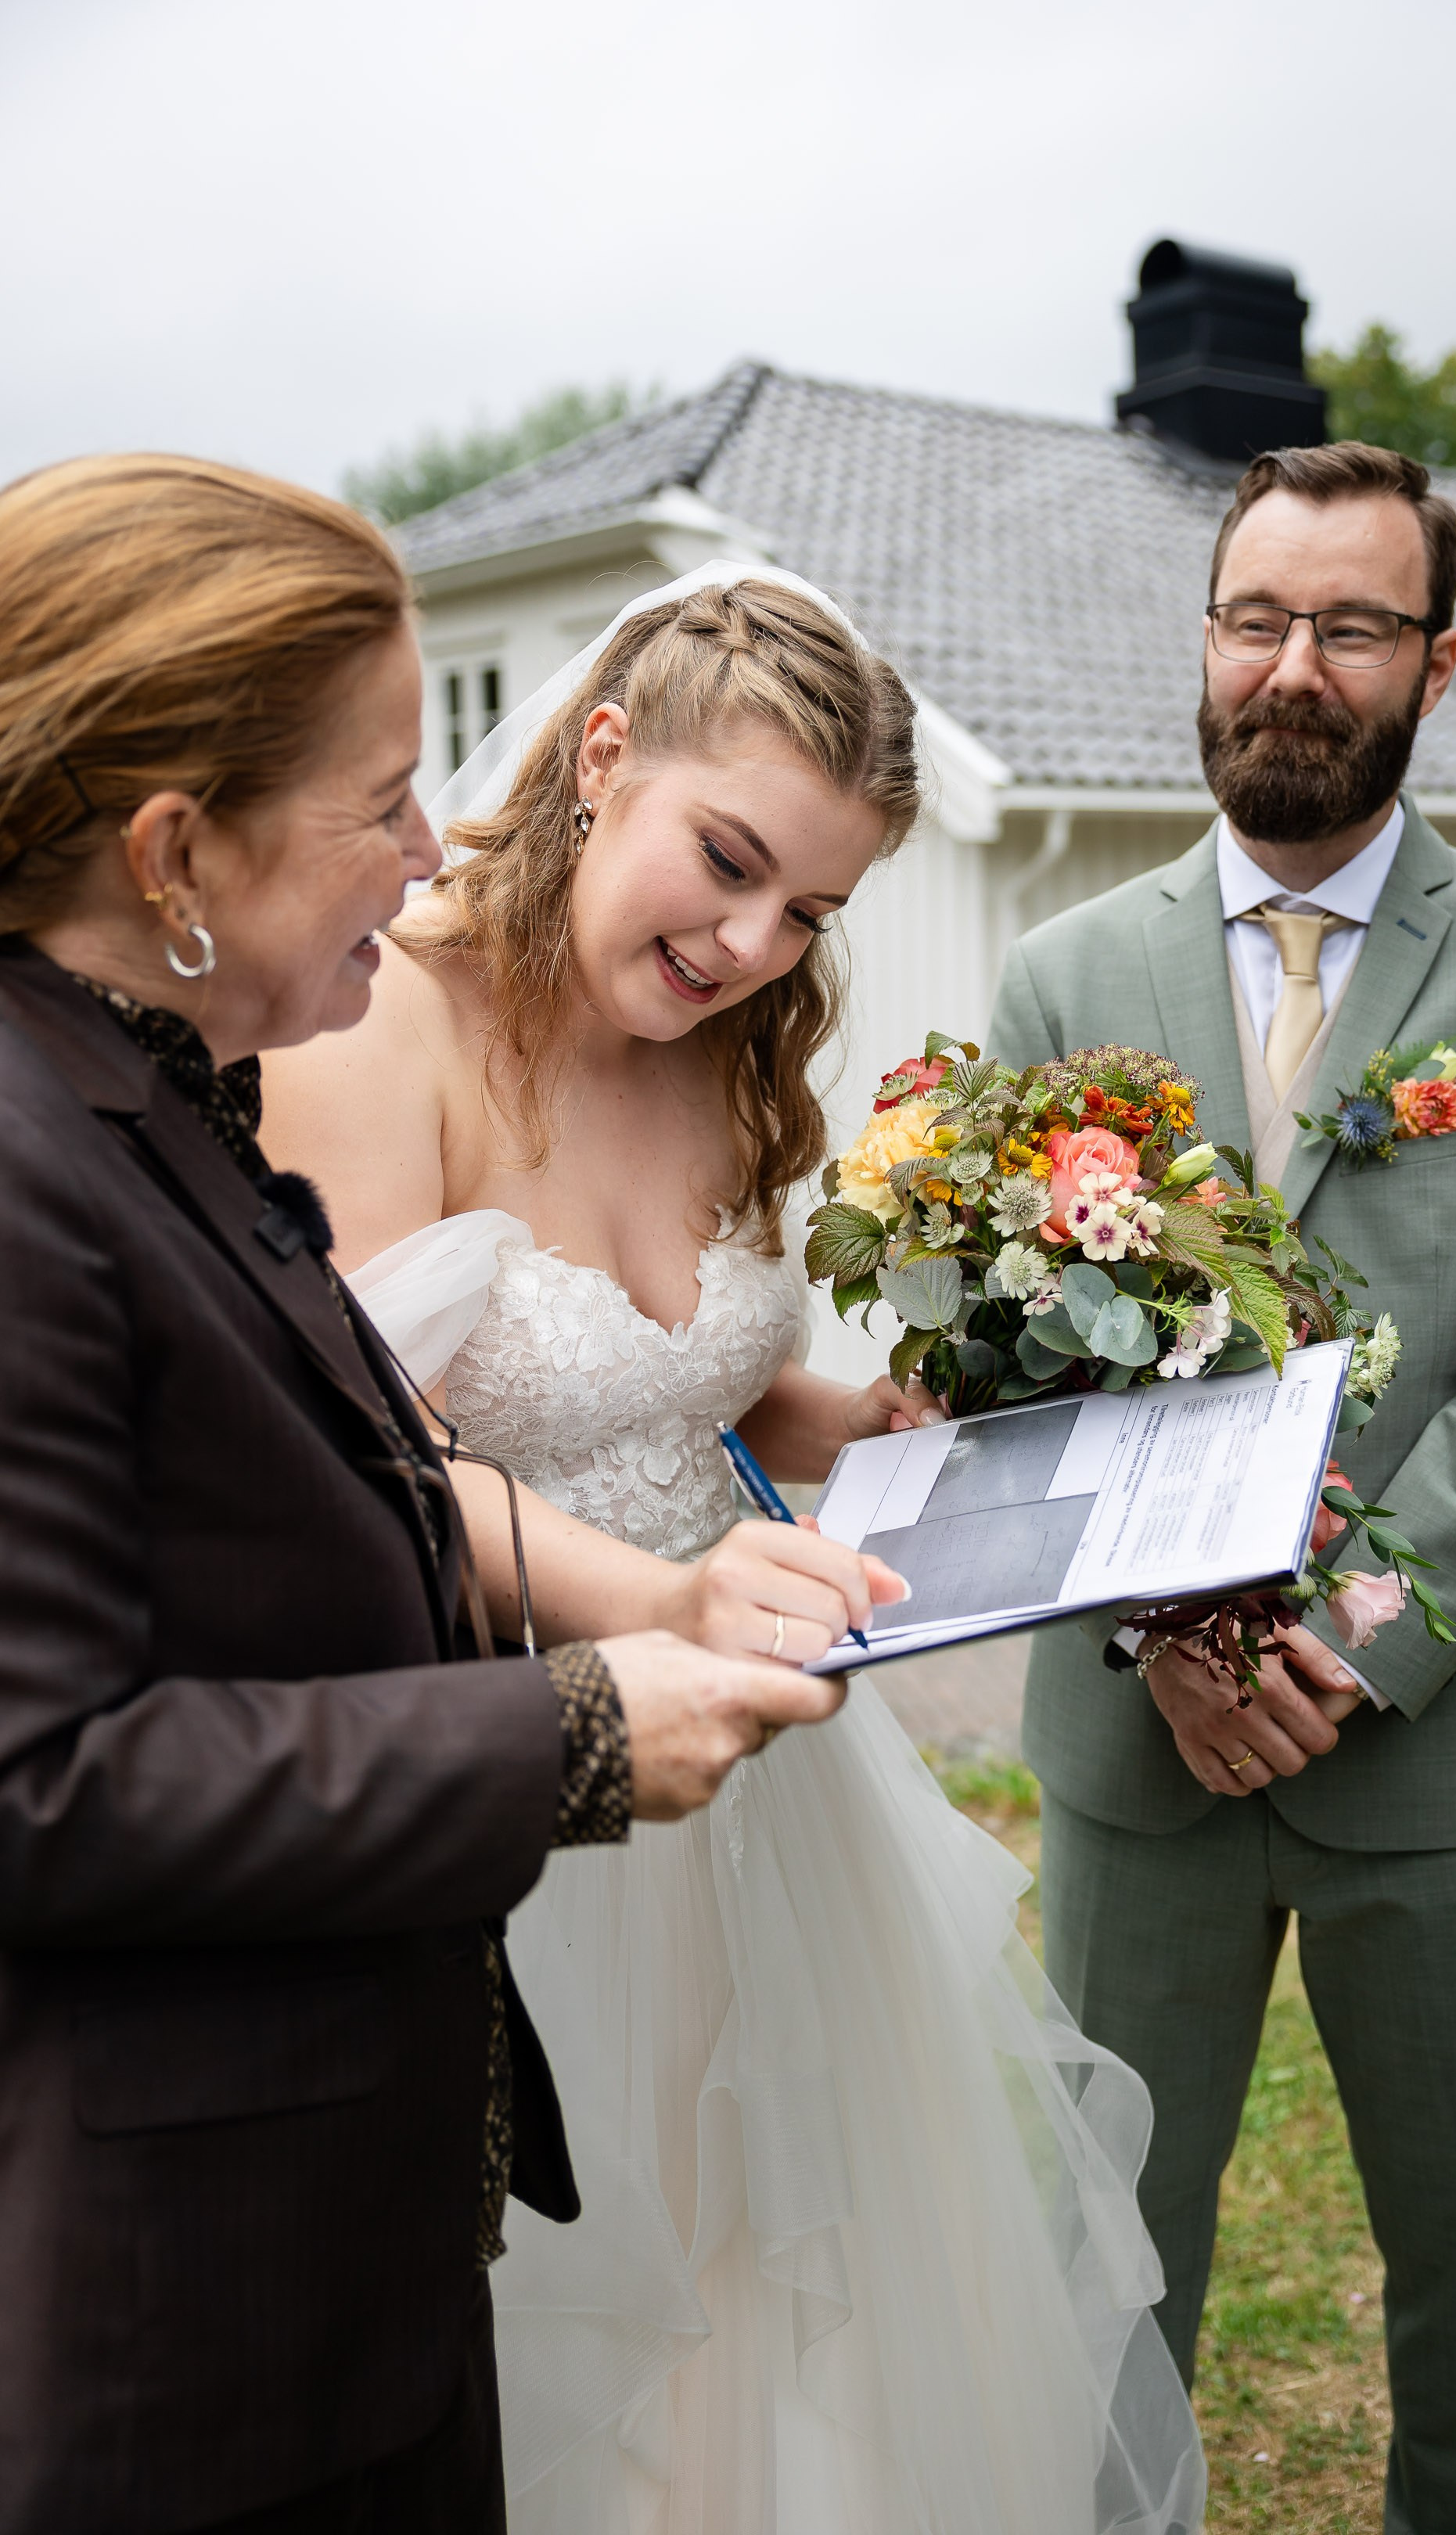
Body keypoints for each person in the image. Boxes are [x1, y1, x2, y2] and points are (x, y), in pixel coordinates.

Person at [262, 565, 1206, 2535]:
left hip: (769, 1781)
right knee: (584, 2310)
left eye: (814, 912)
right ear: (601, 753)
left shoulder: (718, 1041)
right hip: (531, 1774)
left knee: (779, 2289)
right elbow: (374, 1461)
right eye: (729, 860)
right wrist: (664, 1609)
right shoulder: (384, 1030)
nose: (754, 944)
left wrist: (853, 1423)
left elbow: (691, 1377)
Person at [0, 459, 887, 2535]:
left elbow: (343, 1479)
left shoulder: (165, 1100)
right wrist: (581, 1705)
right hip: (188, 2273)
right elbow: (38, 1778)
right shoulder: (48, 1168)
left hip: (349, 2187)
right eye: (385, 797)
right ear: (174, 847)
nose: (429, 852)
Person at [989, 440, 1456, 2533]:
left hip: (1439, 1764)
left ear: (1435, 666)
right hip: (1135, 1749)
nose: (1296, 665)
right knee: (1108, 2281)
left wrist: (1336, 1655)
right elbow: (1003, 1354)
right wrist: (1178, 1647)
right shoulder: (1058, 979)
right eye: (1257, 618)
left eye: (1352, 625)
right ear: (1204, 644)